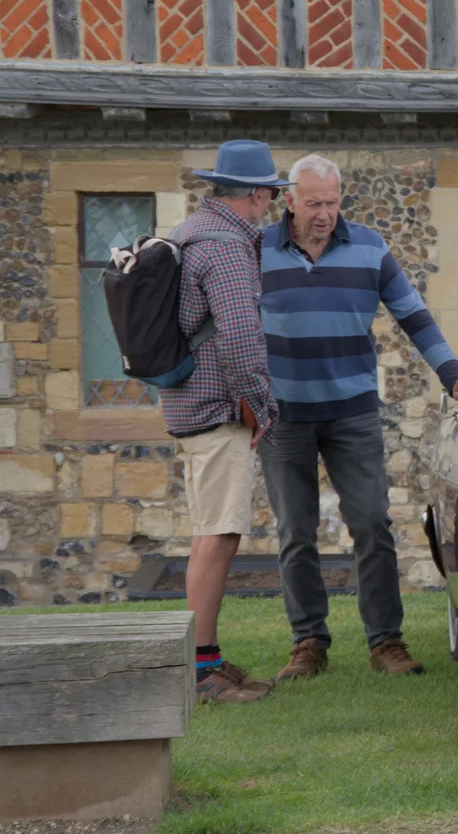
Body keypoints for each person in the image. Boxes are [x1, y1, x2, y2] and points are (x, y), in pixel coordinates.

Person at [260, 154, 458, 680]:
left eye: (332, 202)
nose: (324, 213)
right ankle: (308, 642)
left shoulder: (369, 248)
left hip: (352, 413)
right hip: (282, 416)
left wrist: (452, 375)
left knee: (372, 525)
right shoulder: (256, 250)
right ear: (288, 201)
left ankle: (386, 642)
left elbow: (414, 316)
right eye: (313, 203)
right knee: (296, 532)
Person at [162, 139, 287, 703]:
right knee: (219, 535)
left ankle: (204, 658)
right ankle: (199, 671)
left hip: (192, 403)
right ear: (257, 194)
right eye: (271, 195)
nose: (271, 206)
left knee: (212, 532)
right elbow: (239, 339)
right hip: (217, 410)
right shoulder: (228, 248)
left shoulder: (192, 234)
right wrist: (262, 405)